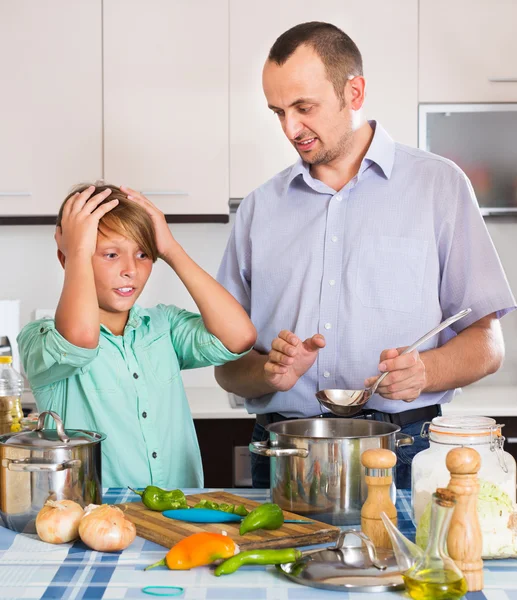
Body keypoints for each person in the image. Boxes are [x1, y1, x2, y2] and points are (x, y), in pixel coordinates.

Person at [215, 22, 516, 489]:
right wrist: (268, 371)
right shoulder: (259, 208)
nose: (290, 128)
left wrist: (426, 371)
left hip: (405, 450)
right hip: (285, 452)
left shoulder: (439, 186)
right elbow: (227, 368)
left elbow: (488, 343)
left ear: (353, 92)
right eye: (278, 112)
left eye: (304, 107)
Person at [18, 184, 256, 488]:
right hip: (94, 517)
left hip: (176, 511)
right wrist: (75, 249)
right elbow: (80, 339)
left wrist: (171, 249)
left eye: (144, 254)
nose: (131, 270)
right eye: (111, 254)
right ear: (66, 259)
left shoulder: (163, 326)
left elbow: (239, 336)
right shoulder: (39, 338)